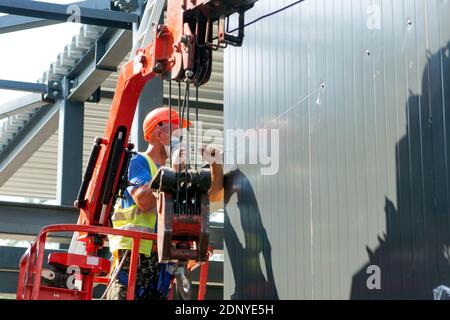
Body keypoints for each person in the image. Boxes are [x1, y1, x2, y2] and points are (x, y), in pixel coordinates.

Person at [107, 106, 223, 300]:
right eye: (177, 132)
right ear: (160, 134)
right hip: (135, 260)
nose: (182, 138)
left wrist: (216, 164)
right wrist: (173, 172)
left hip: (163, 263)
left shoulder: (178, 171)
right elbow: (143, 200)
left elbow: (215, 196)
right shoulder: (138, 162)